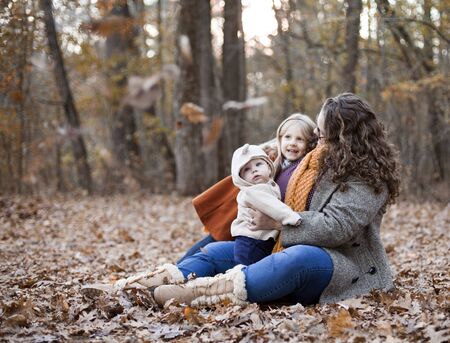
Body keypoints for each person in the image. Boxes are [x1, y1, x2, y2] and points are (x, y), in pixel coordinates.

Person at [151, 93, 400, 307]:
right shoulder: (319, 157)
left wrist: (278, 222)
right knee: (216, 250)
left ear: (342, 137)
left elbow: (336, 227)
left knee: (299, 258)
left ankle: (201, 293)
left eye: (322, 133)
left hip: (345, 263)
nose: (316, 136)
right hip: (285, 244)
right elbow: (285, 143)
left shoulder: (369, 177)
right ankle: (150, 283)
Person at [230, 143, 301, 265]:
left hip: (259, 239)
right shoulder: (253, 191)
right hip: (251, 242)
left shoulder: (266, 186)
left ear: (269, 167)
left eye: (258, 164)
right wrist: (291, 217)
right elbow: (273, 206)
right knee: (248, 271)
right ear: (240, 178)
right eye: (246, 169)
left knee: (252, 270)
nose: (254, 170)